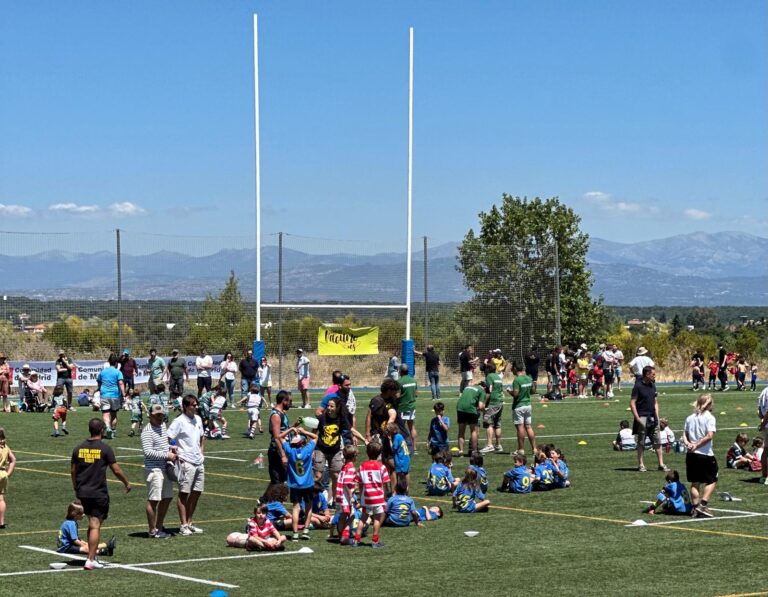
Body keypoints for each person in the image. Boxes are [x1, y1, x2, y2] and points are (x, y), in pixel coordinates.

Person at [70, 418, 131, 569]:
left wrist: (75, 487)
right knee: (96, 524)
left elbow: (73, 471)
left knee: (92, 522)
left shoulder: (78, 448)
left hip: (83, 492)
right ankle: (90, 559)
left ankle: (92, 555)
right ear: (102, 430)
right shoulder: (105, 449)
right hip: (98, 492)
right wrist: (126, 482)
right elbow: (116, 470)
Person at [167, 393, 206, 536]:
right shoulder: (179, 421)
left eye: (196, 405)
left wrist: (202, 452)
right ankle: (183, 525)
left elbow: (202, 436)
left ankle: (189, 522)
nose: (196, 407)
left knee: (197, 492)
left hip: (198, 461)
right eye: (193, 405)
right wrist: (175, 453)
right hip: (185, 461)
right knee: (184, 493)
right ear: (185, 406)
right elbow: (169, 437)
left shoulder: (198, 419)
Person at [313, 396, 366, 499]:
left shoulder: (341, 419)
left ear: (337, 408)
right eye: (328, 405)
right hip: (321, 449)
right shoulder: (321, 418)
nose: (328, 408)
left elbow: (352, 430)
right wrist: (311, 449)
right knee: (318, 476)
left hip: (335, 451)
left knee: (336, 476)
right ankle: (312, 500)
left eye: (331, 406)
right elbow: (314, 433)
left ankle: (334, 500)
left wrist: (365, 440)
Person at [141, 403, 177, 539]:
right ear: (150, 415)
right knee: (153, 500)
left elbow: (162, 445)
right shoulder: (147, 432)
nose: (160, 418)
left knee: (167, 497)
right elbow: (148, 452)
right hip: (153, 469)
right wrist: (166, 455)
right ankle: (152, 530)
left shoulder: (162, 426)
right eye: (157, 415)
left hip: (164, 467)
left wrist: (171, 448)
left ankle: (159, 526)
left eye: (161, 415)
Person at [279, 426, 317, 542]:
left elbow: (280, 437)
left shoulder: (290, 451)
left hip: (295, 484)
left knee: (295, 508)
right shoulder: (307, 450)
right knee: (308, 507)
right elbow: (315, 437)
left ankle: (295, 533)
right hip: (307, 483)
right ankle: (305, 530)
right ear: (302, 443)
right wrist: (303, 431)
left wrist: (291, 429)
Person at [683, 394, 718, 518]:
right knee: (712, 480)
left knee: (695, 482)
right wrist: (697, 445)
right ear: (708, 404)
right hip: (705, 454)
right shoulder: (709, 418)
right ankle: (702, 505)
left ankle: (695, 507)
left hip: (691, 455)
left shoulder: (690, 417)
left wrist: (688, 444)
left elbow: (685, 435)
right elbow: (709, 436)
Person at [629, 366, 669, 473]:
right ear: (647, 374)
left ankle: (661, 464)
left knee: (657, 442)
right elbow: (632, 403)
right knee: (641, 442)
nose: (654, 376)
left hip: (653, 418)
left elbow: (655, 401)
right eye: (653, 374)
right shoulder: (637, 386)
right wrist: (637, 418)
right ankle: (641, 465)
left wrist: (657, 416)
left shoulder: (653, 385)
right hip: (642, 417)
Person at [354, 442, 390, 548]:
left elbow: (359, 483)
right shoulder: (381, 467)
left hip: (366, 497)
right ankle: (374, 541)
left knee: (363, 518)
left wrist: (361, 497)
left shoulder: (362, 466)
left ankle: (356, 540)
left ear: (367, 452)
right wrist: (385, 496)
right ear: (380, 453)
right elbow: (385, 483)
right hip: (378, 498)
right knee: (377, 519)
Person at [507, 364, 537, 455]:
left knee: (520, 428)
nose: (512, 370)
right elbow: (533, 391)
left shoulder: (517, 380)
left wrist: (509, 391)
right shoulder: (528, 378)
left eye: (512, 368)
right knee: (528, 427)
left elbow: (515, 394)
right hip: (528, 405)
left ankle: (521, 449)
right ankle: (534, 449)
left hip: (519, 405)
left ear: (516, 369)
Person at [96, 355, 125, 439]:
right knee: (114, 414)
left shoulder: (103, 372)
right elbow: (121, 383)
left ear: (108, 362)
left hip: (104, 395)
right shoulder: (118, 372)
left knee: (105, 413)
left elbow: (99, 382)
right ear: (116, 363)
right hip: (115, 395)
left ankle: (107, 427)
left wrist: (100, 389)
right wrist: (123, 394)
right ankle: (113, 431)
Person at [267, 390, 292, 484]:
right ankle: (265, 499)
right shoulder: (276, 415)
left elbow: (283, 431)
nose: (290, 404)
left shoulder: (282, 413)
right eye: (290, 401)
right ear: (284, 401)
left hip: (283, 448)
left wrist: (294, 426)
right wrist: (283, 455)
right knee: (278, 480)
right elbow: (277, 437)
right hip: (277, 450)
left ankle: (264, 499)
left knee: (280, 479)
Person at [335, 444, 358, 545]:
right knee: (352, 516)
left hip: (339, 495)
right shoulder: (351, 467)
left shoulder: (344, 466)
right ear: (353, 456)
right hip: (345, 497)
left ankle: (340, 534)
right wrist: (351, 497)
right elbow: (348, 484)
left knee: (342, 516)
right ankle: (344, 537)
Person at [456, 381, 486, 455]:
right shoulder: (482, 391)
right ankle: (474, 451)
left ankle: (461, 451)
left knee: (461, 431)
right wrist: (485, 410)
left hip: (460, 408)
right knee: (473, 431)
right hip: (471, 409)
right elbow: (480, 406)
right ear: (484, 387)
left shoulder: (468, 387)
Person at [481, 362, 504, 453]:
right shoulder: (498, 377)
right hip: (500, 402)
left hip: (492, 402)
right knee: (497, 424)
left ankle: (490, 445)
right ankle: (498, 445)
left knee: (488, 423)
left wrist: (484, 402)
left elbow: (489, 390)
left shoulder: (489, 376)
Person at [396, 364, 418, 451]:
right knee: (412, 427)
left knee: (400, 428)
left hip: (402, 407)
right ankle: (414, 447)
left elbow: (397, 396)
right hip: (412, 406)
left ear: (400, 371)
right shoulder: (413, 380)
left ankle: (402, 447)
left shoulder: (399, 382)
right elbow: (416, 394)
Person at [385, 421, 410, 490]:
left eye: (388, 430)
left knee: (401, 476)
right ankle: (406, 489)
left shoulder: (396, 437)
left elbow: (393, 449)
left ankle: (403, 490)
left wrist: (390, 440)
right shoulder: (400, 435)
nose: (387, 432)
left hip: (400, 460)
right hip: (406, 458)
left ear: (393, 431)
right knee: (405, 474)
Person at [0, 427, 16, 529]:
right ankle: (1, 522)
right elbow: (13, 459)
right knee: (1, 499)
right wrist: (8, 473)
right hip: (2, 474)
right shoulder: (5, 446)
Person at [756, 385, 768, 484]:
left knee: (766, 451)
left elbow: (759, 410)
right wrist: (763, 423)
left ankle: (764, 476)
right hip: (766, 424)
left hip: (766, 425)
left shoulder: (764, 391)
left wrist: (762, 421)